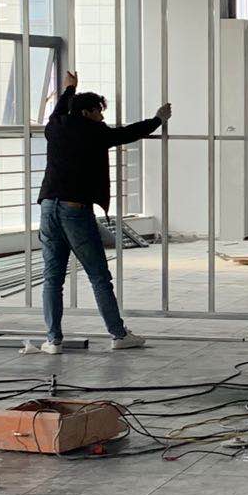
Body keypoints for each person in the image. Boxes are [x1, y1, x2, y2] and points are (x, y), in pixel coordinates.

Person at [36, 70, 169, 354]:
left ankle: (53, 340)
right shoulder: (94, 132)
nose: (102, 116)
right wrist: (158, 119)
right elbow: (129, 133)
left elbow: (58, 110)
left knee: (52, 278)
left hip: (48, 208)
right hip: (75, 210)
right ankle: (118, 335)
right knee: (99, 276)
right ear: (87, 112)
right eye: (99, 111)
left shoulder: (55, 126)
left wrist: (69, 89)